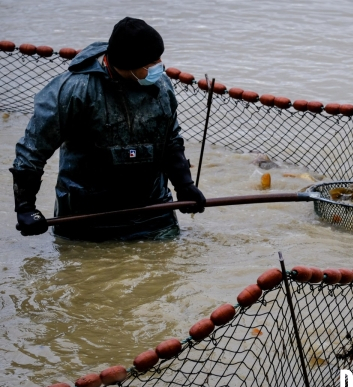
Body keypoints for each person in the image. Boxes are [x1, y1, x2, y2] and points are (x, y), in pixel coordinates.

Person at [10, 17, 206, 241]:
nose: (158, 67)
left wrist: (185, 185)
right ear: (127, 64)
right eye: (150, 64)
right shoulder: (74, 89)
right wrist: (25, 207)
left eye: (159, 59)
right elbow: (33, 149)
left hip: (153, 211)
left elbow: (170, 139)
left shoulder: (160, 85)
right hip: (87, 216)